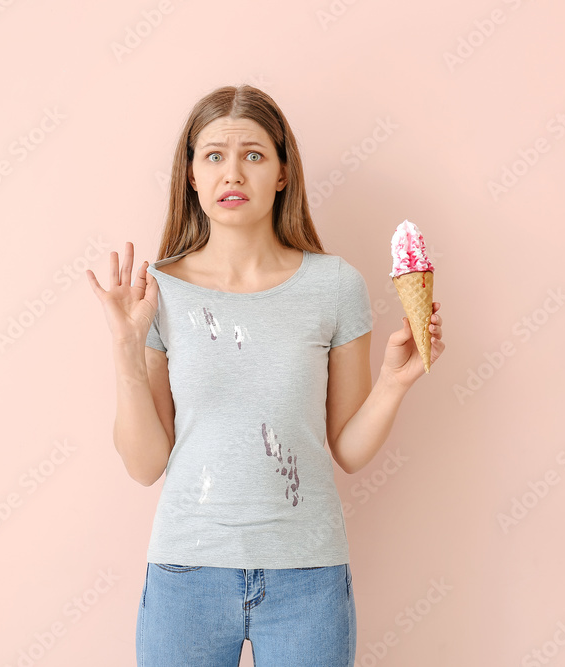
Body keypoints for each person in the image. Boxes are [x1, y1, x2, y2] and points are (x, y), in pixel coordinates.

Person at [86, 84, 444, 667]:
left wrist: (394, 382)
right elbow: (145, 463)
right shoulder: (159, 292)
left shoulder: (334, 286)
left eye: (253, 155)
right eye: (214, 157)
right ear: (192, 177)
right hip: (187, 574)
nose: (233, 173)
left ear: (282, 173)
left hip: (307, 577)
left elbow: (348, 449)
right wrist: (127, 348)